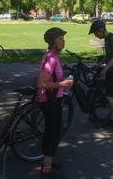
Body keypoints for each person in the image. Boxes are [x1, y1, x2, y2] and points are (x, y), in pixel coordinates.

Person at [37, 27, 73, 178]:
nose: (63, 41)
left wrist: (61, 80)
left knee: (51, 132)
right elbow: (41, 83)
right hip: (50, 102)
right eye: (60, 39)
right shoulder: (51, 58)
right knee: (53, 134)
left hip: (53, 100)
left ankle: (48, 162)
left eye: (63, 38)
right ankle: (47, 170)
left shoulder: (52, 56)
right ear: (53, 42)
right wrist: (62, 85)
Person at [88, 19, 113, 131]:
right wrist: (99, 65)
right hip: (111, 70)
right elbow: (108, 56)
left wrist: (105, 69)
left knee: (110, 96)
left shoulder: (112, 38)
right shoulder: (107, 39)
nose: (96, 35)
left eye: (96, 33)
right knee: (110, 95)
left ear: (101, 30)